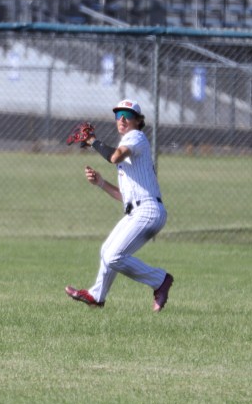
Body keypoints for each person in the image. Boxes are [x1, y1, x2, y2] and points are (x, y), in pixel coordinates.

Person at [65, 99, 174, 312]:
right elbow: (125, 197)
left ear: (138, 121)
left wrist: (92, 140)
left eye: (127, 115)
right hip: (139, 211)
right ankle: (97, 296)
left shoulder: (136, 137)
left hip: (148, 211)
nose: (122, 119)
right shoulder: (130, 151)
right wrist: (101, 183)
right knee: (106, 251)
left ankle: (160, 280)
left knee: (114, 256)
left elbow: (114, 156)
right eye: (118, 115)